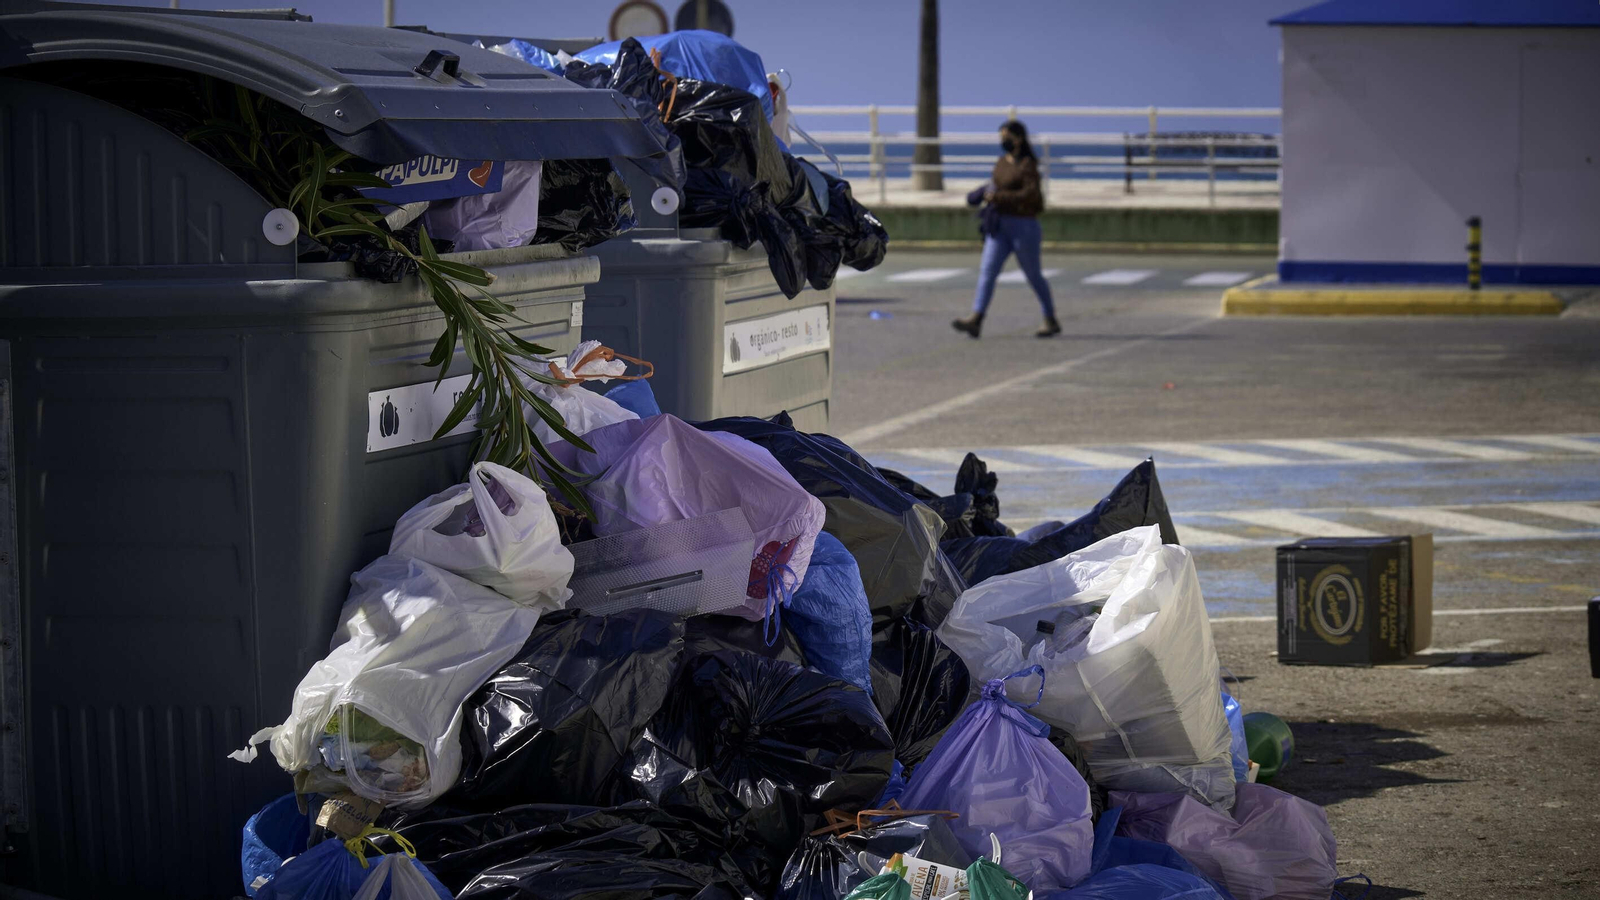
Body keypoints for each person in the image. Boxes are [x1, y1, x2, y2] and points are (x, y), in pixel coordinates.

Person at [952, 120, 1061, 339]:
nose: (1003, 141)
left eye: (1006, 137)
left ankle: (1050, 318)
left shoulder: (1028, 165)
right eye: (1001, 137)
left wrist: (998, 197)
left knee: (1033, 275)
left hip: (1024, 226)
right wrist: (981, 193)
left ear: (1018, 139)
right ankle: (976, 318)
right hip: (999, 226)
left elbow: (1030, 194)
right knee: (987, 272)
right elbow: (994, 185)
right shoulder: (1002, 162)